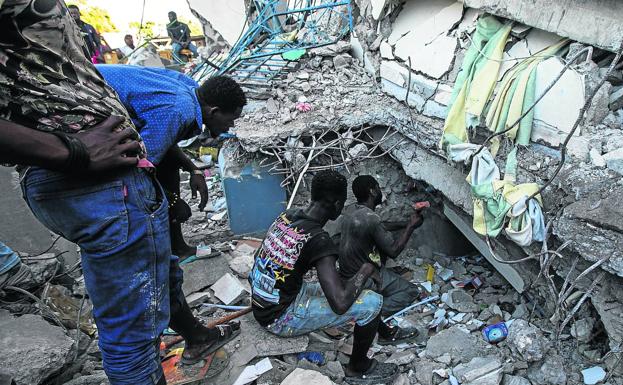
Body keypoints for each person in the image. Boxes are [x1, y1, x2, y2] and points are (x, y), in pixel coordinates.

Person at [0, 2, 233, 384]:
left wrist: (187, 170)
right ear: (217, 108)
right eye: (231, 118)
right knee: (133, 340)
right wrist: (72, 151)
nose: (229, 127)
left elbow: (156, 143)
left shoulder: (185, 91)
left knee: (157, 279)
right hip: (100, 186)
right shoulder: (180, 105)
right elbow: (152, 156)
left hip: (99, 185)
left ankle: (195, 336)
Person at [250, 170, 400, 384]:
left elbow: (259, 257)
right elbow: (339, 304)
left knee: (351, 288)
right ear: (338, 205)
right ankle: (359, 367)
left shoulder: (288, 216)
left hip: (263, 302)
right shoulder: (319, 240)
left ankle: (382, 330)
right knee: (372, 302)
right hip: (278, 318)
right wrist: (366, 269)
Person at [96, 65, 247, 258]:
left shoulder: (190, 89)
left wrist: (194, 170)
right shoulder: (178, 110)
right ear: (214, 111)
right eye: (231, 119)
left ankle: (177, 247)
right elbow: (140, 167)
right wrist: (172, 201)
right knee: (144, 193)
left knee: (169, 166)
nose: (231, 125)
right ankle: (152, 254)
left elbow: (163, 140)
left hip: (97, 85)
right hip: (83, 97)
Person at [336, 175, 425, 343]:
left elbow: (382, 226)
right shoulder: (371, 219)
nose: (380, 192)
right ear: (372, 191)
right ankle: (367, 312)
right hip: (364, 277)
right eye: (378, 187)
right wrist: (411, 227)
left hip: (347, 275)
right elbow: (393, 251)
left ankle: (363, 307)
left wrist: (406, 223)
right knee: (410, 291)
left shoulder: (353, 212)